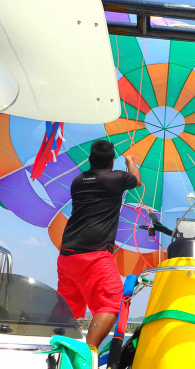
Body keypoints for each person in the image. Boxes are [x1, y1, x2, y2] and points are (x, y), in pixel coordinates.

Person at [57, 140, 141, 351]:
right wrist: (130, 161)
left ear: (90, 159)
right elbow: (136, 180)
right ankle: (88, 355)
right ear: (112, 162)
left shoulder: (78, 180)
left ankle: (60, 355)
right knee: (111, 305)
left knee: (69, 309)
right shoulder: (116, 178)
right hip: (94, 254)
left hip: (67, 254)